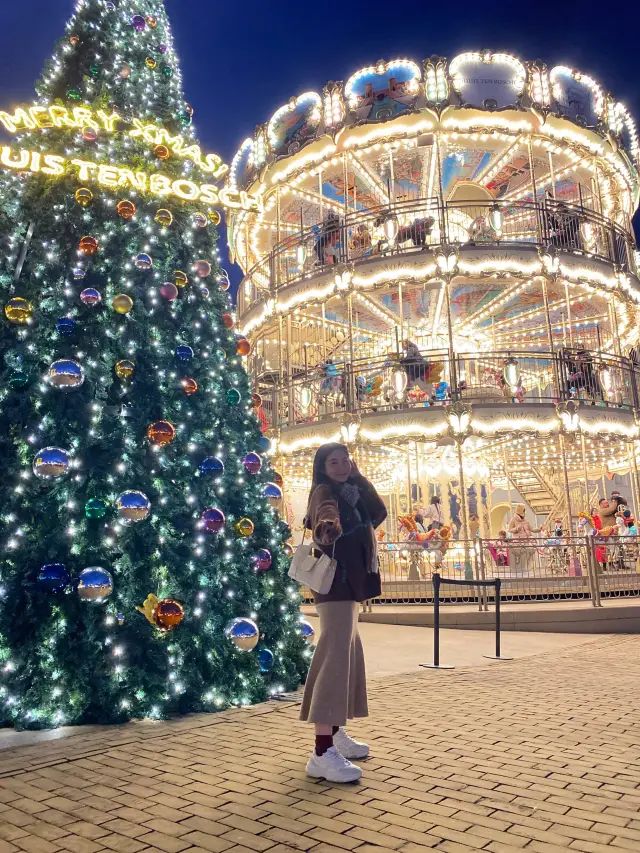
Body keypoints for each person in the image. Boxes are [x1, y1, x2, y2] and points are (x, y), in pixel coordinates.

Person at [300, 443, 387, 783]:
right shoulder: (325, 491)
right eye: (332, 461)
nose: (339, 465)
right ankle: (321, 751)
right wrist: (327, 527)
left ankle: (335, 735)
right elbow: (324, 515)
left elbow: (378, 513)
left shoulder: (352, 491)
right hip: (335, 585)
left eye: (344, 460)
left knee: (348, 656)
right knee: (335, 661)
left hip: (351, 585)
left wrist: (360, 479)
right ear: (322, 467)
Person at [508, 504, 541, 572]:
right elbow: (510, 530)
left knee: (531, 551)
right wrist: (517, 528)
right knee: (521, 555)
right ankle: (520, 568)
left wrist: (539, 529)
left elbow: (531, 529)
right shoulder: (513, 520)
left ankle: (529, 566)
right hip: (518, 540)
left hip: (527, 539)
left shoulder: (526, 520)